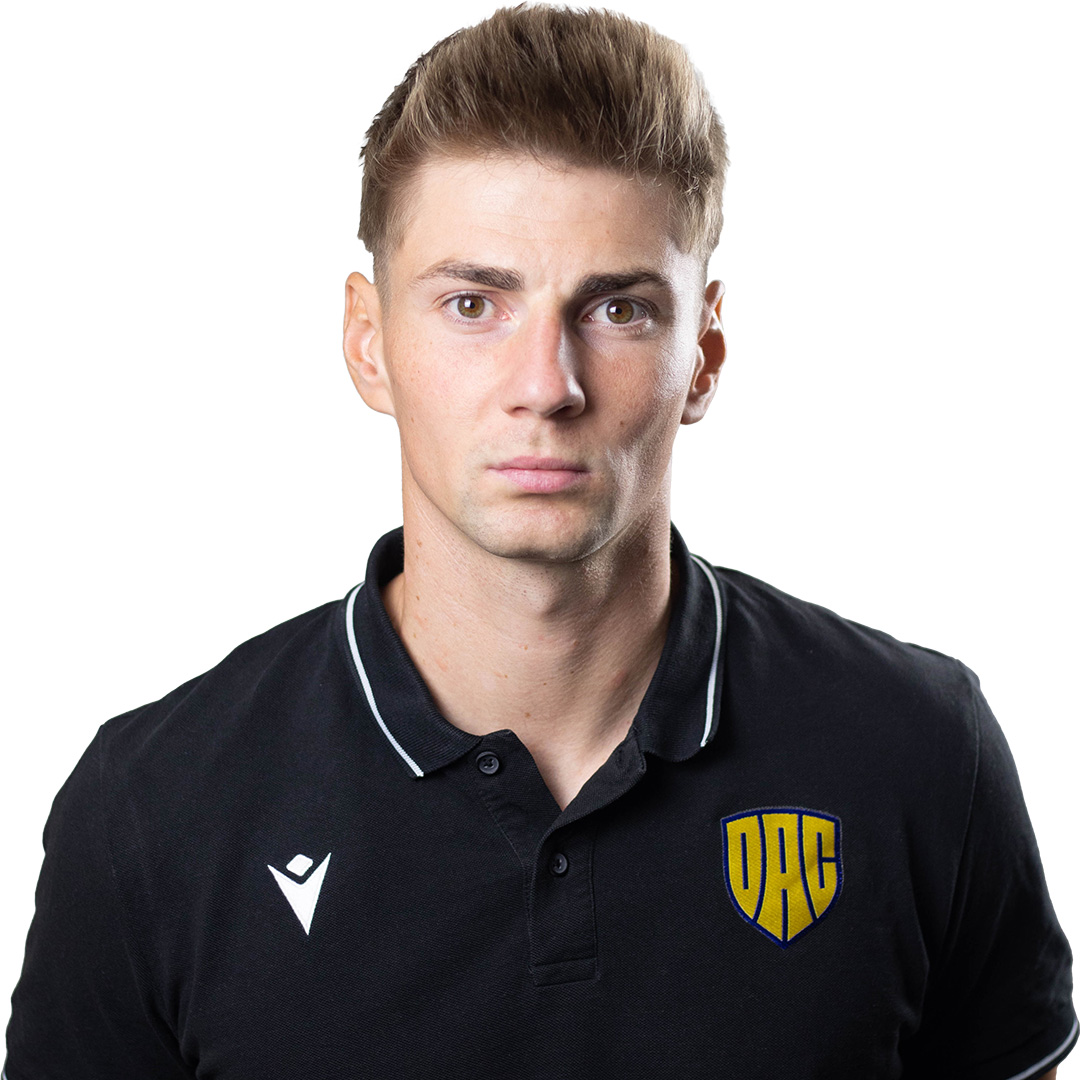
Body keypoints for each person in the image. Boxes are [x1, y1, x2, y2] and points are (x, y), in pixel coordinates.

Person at [4, 5, 1075, 1078]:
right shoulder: (152, 811)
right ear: (368, 343)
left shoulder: (922, 753)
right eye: (474, 304)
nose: (546, 386)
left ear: (703, 356)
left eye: (618, 311)